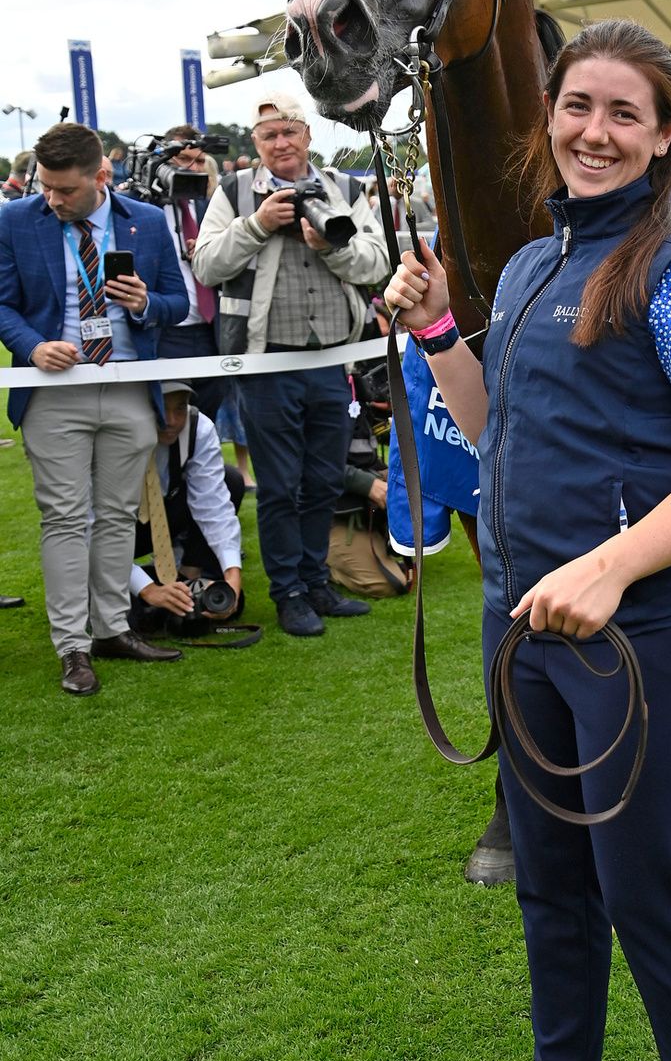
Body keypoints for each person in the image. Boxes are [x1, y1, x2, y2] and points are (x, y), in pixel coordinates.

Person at [383, 19, 671, 1061]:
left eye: (623, 114)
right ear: (548, 115)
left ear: (663, 139)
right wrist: (444, 337)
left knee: (649, 898)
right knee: (549, 884)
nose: (593, 132)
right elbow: (500, 437)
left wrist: (609, 567)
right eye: (576, 106)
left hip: (639, 641)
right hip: (525, 632)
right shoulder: (543, 260)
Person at [191, 91, 390, 635]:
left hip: (333, 357)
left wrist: (330, 247)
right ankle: (289, 593)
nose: (281, 143)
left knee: (324, 479)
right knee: (280, 485)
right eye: (269, 136)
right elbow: (206, 266)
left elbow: (377, 262)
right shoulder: (233, 192)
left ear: (308, 136)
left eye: (290, 132)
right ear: (255, 145)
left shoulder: (345, 189)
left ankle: (317, 582)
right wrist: (256, 225)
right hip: (265, 361)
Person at [0, 122, 189, 694]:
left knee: (115, 516)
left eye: (64, 190)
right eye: (45, 187)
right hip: (54, 393)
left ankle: (111, 628)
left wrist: (144, 304)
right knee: (64, 517)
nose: (51, 199)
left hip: (131, 386)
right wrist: (32, 345)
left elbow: (177, 304)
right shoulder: (14, 219)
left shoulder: (149, 222)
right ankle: (72, 647)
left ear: (100, 176)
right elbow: (2, 304)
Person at [129, 382, 245, 632]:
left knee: (230, 480)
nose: (171, 420)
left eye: (180, 408)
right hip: (115, 532)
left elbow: (213, 504)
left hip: (165, 516)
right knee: (132, 617)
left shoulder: (199, 426)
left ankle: (192, 576)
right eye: (160, 408)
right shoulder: (113, 431)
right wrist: (149, 591)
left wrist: (233, 573)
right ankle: (144, 584)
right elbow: (91, 532)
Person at [150, 125, 225, 422]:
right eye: (182, 160)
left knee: (206, 424)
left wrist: (213, 250)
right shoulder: (145, 208)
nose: (192, 168)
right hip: (166, 331)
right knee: (167, 423)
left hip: (211, 330)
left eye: (198, 160)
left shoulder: (210, 207)